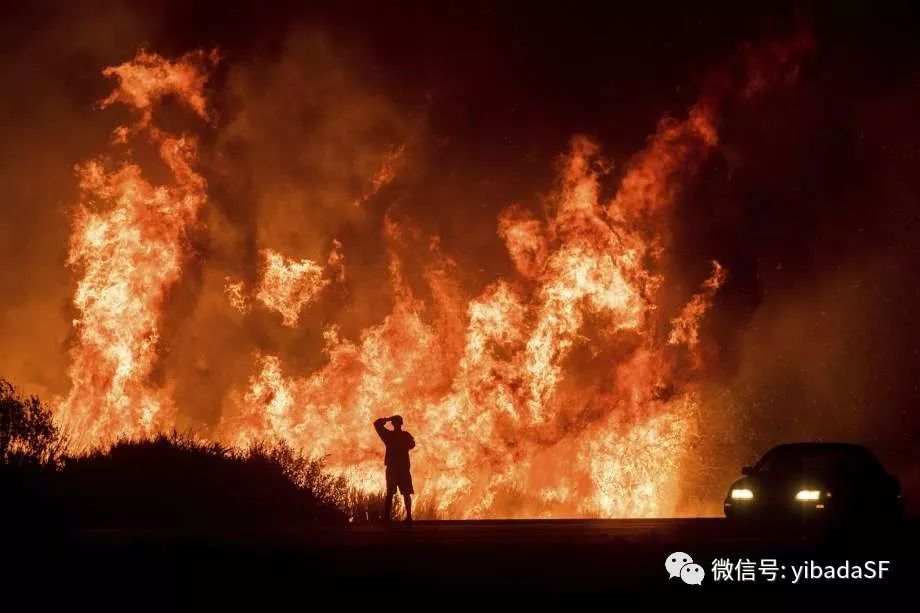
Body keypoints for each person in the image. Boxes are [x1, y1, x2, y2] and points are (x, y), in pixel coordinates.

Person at [373, 415, 416, 523]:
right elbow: (412, 445)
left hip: (393, 468)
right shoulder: (405, 436)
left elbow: (376, 423)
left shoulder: (388, 436)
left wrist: (388, 419)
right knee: (406, 493)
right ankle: (409, 517)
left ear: (392, 423)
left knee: (390, 494)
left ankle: (387, 517)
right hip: (403, 468)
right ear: (401, 423)